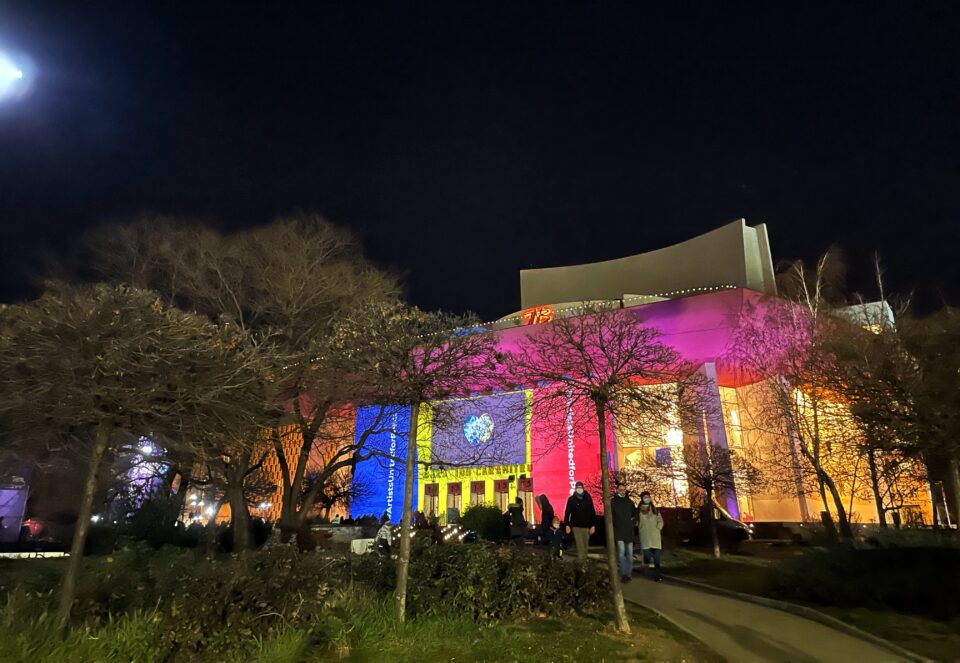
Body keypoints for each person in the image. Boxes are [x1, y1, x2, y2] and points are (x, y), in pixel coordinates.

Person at [611, 483, 638, 583]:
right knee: (621, 554)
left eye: (623, 490)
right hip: (619, 531)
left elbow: (635, 514)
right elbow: (611, 517)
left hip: (628, 532)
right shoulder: (613, 502)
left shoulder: (629, 502)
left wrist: (632, 523)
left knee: (630, 555)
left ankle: (628, 573)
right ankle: (623, 574)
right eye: (620, 489)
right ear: (617, 490)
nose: (622, 491)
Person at [564, 481, 596, 562]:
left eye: (580, 487)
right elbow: (567, 513)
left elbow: (592, 512)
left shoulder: (588, 498)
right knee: (580, 547)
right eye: (577, 488)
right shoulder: (571, 499)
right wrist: (567, 525)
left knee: (585, 547)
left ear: (583, 488)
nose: (579, 489)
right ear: (575, 489)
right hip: (576, 526)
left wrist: (593, 525)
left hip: (586, 526)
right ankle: (582, 566)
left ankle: (583, 565)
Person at [637, 491, 664, 580]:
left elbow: (660, 520)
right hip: (645, 536)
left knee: (657, 559)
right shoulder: (639, 511)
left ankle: (658, 576)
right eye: (645, 497)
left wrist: (659, 527)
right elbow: (636, 521)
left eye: (648, 497)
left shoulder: (655, 510)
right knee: (647, 555)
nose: (647, 499)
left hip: (655, 537)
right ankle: (646, 564)